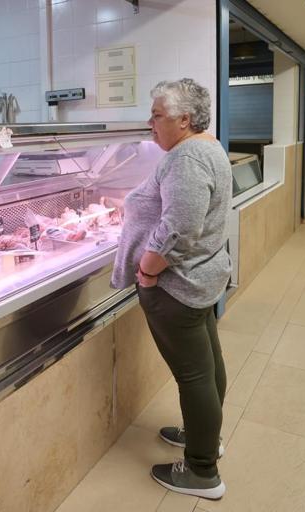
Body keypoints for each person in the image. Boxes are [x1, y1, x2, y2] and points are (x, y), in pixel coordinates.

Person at [111, 79, 232, 499]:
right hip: (202, 278)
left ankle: (202, 472)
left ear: (184, 120)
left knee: (193, 375)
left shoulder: (187, 158)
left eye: (157, 115)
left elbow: (179, 226)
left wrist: (146, 269)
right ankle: (203, 437)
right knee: (208, 367)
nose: (150, 123)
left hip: (177, 286)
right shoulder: (208, 146)